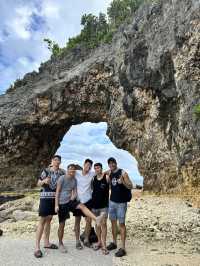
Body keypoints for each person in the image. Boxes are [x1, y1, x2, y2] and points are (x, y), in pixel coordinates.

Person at [55, 164, 104, 253]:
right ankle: (60, 243)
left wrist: (73, 197)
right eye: (70, 170)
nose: (72, 172)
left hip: (70, 201)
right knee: (62, 224)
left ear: (75, 171)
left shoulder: (74, 180)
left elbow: (75, 191)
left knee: (81, 206)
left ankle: (96, 219)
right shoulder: (62, 178)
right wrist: (56, 205)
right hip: (62, 203)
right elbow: (57, 192)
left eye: (73, 170)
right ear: (67, 170)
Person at [34, 155, 65, 258]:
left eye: (58, 160)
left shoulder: (61, 172)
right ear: (52, 161)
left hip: (54, 200)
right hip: (45, 199)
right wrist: (43, 181)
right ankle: (37, 248)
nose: (57, 162)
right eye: (55, 160)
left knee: (49, 220)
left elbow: (70, 175)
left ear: (60, 162)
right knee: (42, 221)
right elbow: (38, 183)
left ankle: (46, 243)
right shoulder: (46, 171)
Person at [106, 157, 133, 257]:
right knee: (113, 223)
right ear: (108, 165)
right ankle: (114, 243)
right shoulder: (110, 172)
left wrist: (123, 182)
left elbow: (131, 185)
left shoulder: (123, 173)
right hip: (112, 202)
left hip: (121, 203)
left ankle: (123, 248)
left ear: (116, 163)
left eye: (113, 163)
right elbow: (102, 173)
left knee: (121, 224)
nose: (112, 165)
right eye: (110, 164)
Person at [73, 159, 94, 249]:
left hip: (88, 201)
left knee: (89, 221)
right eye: (87, 164)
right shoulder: (76, 172)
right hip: (78, 201)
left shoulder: (92, 174)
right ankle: (77, 241)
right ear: (84, 164)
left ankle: (86, 240)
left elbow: (102, 172)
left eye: (90, 166)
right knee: (77, 221)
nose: (88, 167)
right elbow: (67, 172)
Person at [91, 163, 109, 255]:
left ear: (101, 169)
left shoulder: (106, 177)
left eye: (98, 168)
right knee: (97, 224)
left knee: (104, 224)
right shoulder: (93, 178)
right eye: (96, 168)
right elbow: (92, 190)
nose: (97, 169)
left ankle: (104, 245)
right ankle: (99, 242)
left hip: (104, 206)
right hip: (94, 206)